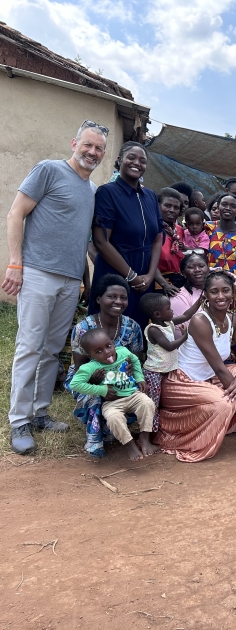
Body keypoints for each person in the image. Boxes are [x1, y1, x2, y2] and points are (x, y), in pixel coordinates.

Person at [4, 119, 108, 454]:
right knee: (30, 346)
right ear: (73, 142)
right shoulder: (48, 170)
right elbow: (16, 213)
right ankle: (19, 420)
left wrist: (87, 279)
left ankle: (39, 412)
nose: (92, 152)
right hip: (36, 272)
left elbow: (84, 240)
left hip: (69, 280)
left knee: (51, 349)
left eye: (99, 149)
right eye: (87, 145)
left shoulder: (92, 191)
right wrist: (15, 264)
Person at [156, 270, 236, 462]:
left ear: (232, 293)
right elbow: (220, 368)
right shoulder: (200, 321)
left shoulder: (232, 319)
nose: (221, 296)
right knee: (224, 402)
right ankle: (196, 438)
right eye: (214, 292)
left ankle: (232, 424)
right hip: (183, 382)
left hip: (210, 379)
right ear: (205, 295)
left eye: (225, 290)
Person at [65, 275, 144, 457]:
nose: (118, 301)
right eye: (112, 296)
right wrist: (98, 384)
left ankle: (141, 431)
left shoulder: (132, 326)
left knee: (140, 390)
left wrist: (132, 370)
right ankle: (96, 441)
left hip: (121, 375)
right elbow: (80, 367)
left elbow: (136, 359)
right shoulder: (84, 328)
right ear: (99, 299)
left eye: (123, 298)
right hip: (89, 376)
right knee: (94, 396)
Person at [90, 141, 163, 329]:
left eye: (142, 160)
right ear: (119, 160)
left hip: (145, 275)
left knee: (137, 329)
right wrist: (131, 276)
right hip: (115, 271)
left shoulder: (150, 196)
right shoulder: (108, 192)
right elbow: (101, 240)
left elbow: (157, 237)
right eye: (131, 157)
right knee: (107, 331)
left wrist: (149, 275)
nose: (137, 163)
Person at [69, 329, 156, 461]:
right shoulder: (91, 366)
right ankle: (129, 445)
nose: (107, 352)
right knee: (113, 418)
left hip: (133, 395)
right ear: (90, 355)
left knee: (147, 403)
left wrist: (139, 378)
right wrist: (101, 390)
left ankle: (144, 438)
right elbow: (75, 384)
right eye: (98, 351)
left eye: (108, 346)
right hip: (112, 403)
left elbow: (136, 360)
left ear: (113, 343)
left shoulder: (123, 352)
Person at [139, 292, 200, 433]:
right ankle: (147, 433)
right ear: (157, 314)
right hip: (154, 373)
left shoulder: (168, 323)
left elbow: (186, 316)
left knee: (166, 401)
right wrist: (185, 337)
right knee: (153, 404)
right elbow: (169, 346)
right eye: (169, 308)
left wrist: (199, 302)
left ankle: (162, 429)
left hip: (167, 370)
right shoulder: (153, 329)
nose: (172, 311)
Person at [205, 192, 236, 313]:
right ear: (218, 207)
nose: (228, 208)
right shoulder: (208, 228)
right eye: (224, 204)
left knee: (235, 322)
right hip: (212, 286)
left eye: (233, 206)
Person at [155, 187, 186, 296]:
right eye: (167, 205)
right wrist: (164, 285)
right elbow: (148, 263)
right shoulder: (152, 229)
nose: (172, 210)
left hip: (180, 285)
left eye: (176, 207)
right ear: (158, 206)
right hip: (159, 286)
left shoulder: (179, 230)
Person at [171, 252, 210, 316]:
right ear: (183, 273)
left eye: (201, 266)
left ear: (208, 269)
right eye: (191, 267)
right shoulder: (179, 297)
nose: (197, 270)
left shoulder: (217, 290)